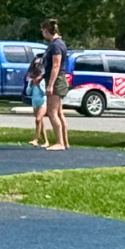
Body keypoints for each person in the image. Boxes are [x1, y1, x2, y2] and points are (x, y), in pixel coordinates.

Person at [41, 18, 72, 151]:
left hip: (57, 80)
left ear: (46, 31)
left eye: (42, 30)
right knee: (59, 113)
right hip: (56, 79)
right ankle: (65, 142)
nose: (42, 33)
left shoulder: (56, 45)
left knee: (52, 112)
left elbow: (56, 65)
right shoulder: (58, 43)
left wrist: (50, 85)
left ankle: (60, 142)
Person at [26, 56, 53, 147]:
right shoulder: (31, 80)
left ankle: (36, 139)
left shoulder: (42, 81)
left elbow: (44, 92)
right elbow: (28, 92)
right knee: (40, 122)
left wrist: (38, 85)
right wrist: (31, 84)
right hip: (35, 103)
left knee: (38, 120)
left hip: (42, 103)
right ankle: (46, 141)